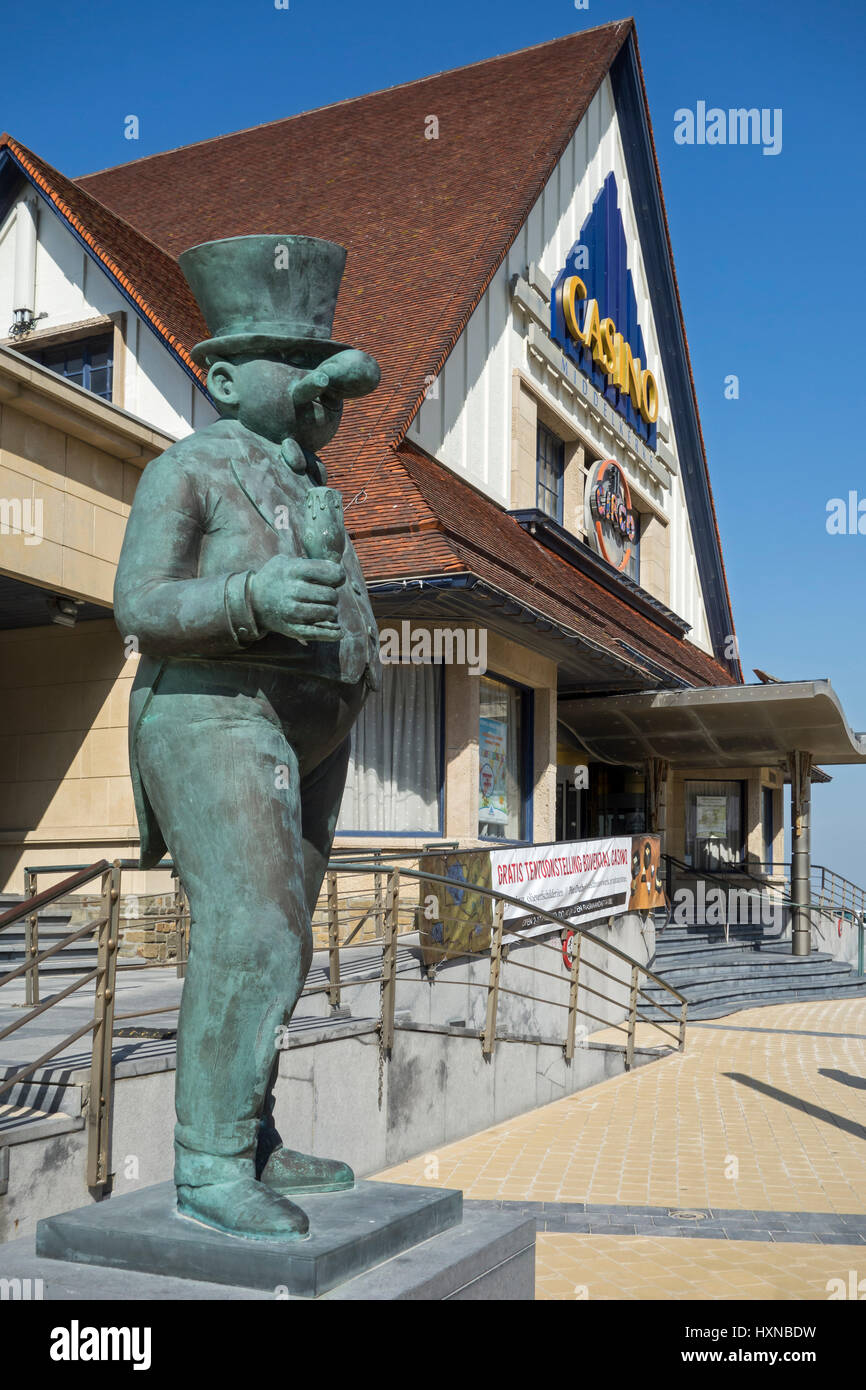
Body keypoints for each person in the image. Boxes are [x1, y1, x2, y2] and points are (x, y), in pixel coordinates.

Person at [114, 234, 381, 1239]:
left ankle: (253, 1132)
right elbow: (136, 602)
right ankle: (209, 1166)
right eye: (292, 362)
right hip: (212, 712)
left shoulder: (306, 475)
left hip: (307, 729)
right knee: (251, 931)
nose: (317, 380)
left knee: (289, 936)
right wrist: (251, 594)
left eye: (322, 363)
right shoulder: (186, 468)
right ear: (222, 377)